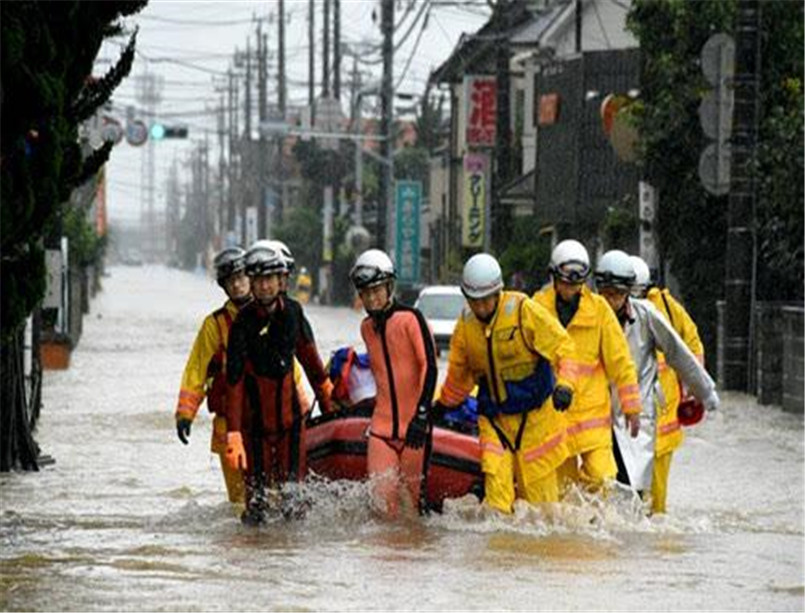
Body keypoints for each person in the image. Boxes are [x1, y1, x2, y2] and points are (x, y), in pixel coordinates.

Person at [436, 253, 580, 514]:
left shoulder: (524, 311)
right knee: (496, 504)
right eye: (475, 301)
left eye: (486, 300)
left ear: (498, 292)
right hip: (495, 422)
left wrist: (566, 385)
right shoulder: (466, 327)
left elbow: (564, 347)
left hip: (535, 420)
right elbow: (460, 376)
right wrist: (443, 406)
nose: (481, 308)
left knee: (541, 508)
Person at [595, 250, 719, 514]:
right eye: (605, 293)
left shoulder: (648, 314)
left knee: (636, 495)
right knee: (600, 493)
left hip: (636, 419)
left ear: (628, 291)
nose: (610, 300)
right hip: (598, 417)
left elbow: (679, 352)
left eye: (616, 294)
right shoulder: (589, 315)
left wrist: (704, 391)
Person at [224, 242, 333, 524]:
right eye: (257, 280)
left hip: (291, 426)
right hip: (254, 429)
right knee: (256, 508)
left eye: (269, 279)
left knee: (294, 504)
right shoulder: (242, 323)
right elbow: (233, 382)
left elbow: (313, 366)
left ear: (281, 279)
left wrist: (330, 404)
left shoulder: (294, 314)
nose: (263, 287)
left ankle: (289, 561)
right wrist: (233, 433)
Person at [532, 240, 641, 496]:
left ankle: (594, 531)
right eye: (567, 282)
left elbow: (621, 362)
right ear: (554, 277)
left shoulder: (599, 310)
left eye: (577, 283)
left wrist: (632, 407)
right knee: (561, 495)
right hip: (553, 416)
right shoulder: (536, 308)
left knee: (603, 480)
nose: (572, 288)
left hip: (592, 417)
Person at [350, 249, 438, 519]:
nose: (372, 297)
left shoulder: (411, 319)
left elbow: (430, 367)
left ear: (390, 287)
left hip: (414, 429)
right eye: (366, 292)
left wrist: (422, 415)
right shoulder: (366, 328)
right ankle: (379, 562)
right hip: (381, 430)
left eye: (377, 290)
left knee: (411, 510)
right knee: (382, 509)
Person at [174, 246, 251, 503]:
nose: (238, 285)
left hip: (266, 422)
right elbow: (196, 369)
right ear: (224, 286)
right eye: (232, 281)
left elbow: (289, 370)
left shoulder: (269, 315)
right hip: (227, 425)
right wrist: (185, 414)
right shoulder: (214, 325)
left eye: (242, 278)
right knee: (239, 500)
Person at [630, 254, 706, 513]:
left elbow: (693, 346)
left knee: (655, 499)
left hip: (662, 419)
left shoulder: (666, 308)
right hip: (630, 417)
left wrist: (694, 389)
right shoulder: (611, 310)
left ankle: (654, 544)